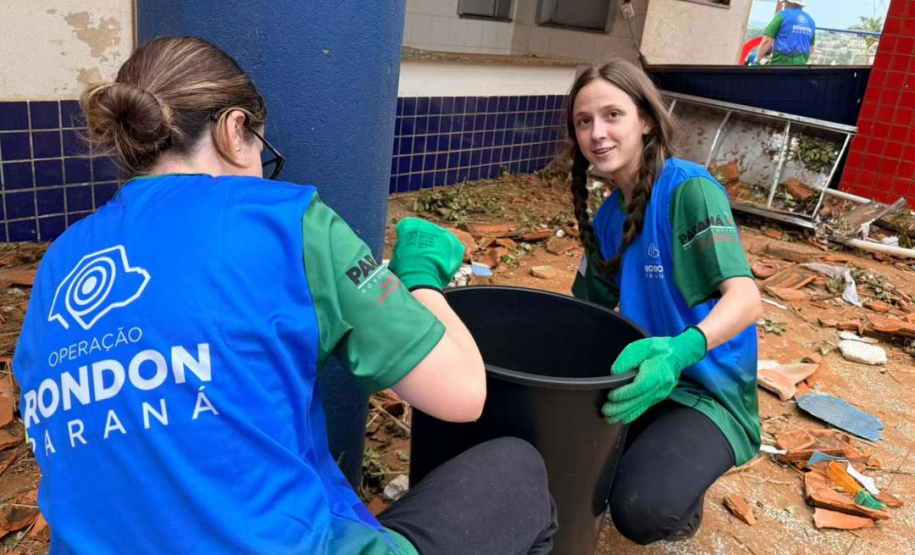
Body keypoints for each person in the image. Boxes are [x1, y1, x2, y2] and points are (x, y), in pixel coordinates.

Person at [13, 36, 556, 555]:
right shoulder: (280, 222)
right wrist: (421, 280)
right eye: (262, 151)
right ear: (234, 130)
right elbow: (462, 394)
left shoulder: (58, 265)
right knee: (517, 470)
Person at [566, 60, 762, 545]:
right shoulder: (610, 217)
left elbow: (746, 298)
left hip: (707, 390)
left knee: (642, 508)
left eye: (613, 115)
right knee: (565, 456)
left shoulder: (688, 189)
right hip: (645, 382)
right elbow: (584, 314)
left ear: (646, 121)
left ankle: (683, 495)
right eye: (584, 121)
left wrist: (679, 351)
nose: (597, 133)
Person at [757, 1, 816, 65]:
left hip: (779, 64)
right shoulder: (810, 21)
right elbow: (811, 48)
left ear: (788, 3)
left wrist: (758, 61)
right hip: (800, 68)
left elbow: (767, 41)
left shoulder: (782, 16)